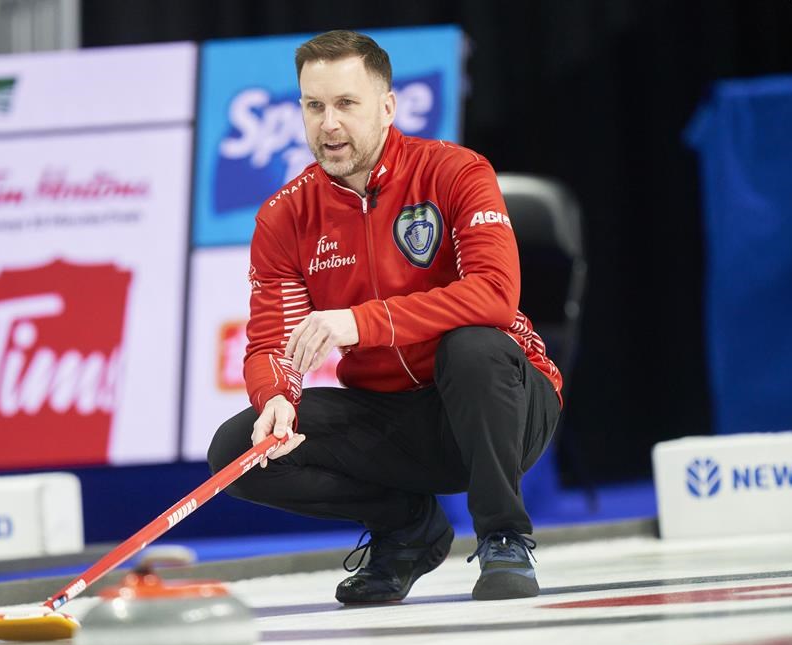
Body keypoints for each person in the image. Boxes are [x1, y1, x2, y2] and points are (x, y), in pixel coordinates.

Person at [208, 30, 562, 603]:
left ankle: (504, 537)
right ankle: (407, 531)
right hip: (397, 419)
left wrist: (362, 321)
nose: (328, 124)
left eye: (346, 104)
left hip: (505, 405)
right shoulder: (284, 217)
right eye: (314, 106)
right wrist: (277, 396)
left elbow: (495, 294)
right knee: (235, 453)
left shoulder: (455, 171)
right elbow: (270, 343)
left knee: (471, 346)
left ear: (387, 106)